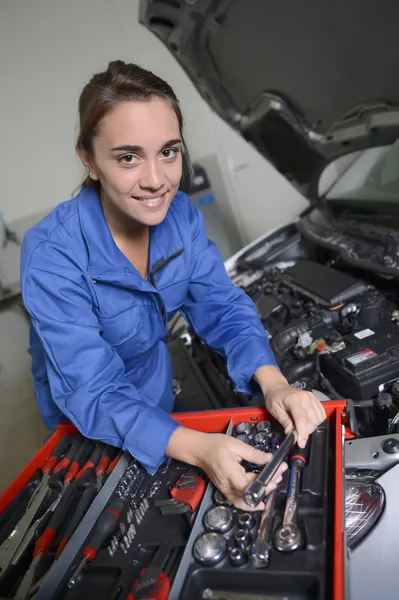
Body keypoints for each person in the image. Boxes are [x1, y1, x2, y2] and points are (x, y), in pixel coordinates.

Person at [20, 61, 326, 510]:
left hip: (155, 386)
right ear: (88, 159)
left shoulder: (180, 215)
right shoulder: (52, 255)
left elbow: (221, 306)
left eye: (169, 151)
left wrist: (274, 382)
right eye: (128, 157)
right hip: (88, 416)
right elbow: (93, 389)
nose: (156, 180)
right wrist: (200, 447)